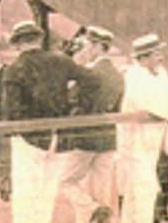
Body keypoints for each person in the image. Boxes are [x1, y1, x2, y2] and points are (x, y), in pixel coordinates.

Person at [1, 20, 102, 223]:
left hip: (27, 138)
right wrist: (75, 107)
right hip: (57, 135)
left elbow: (10, 111)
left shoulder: (14, 69)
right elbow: (93, 81)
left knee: (25, 196)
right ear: (40, 39)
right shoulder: (61, 61)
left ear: (18, 44)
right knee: (47, 194)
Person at [58, 27, 124, 222]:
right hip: (109, 137)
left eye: (88, 46)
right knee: (100, 189)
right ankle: (95, 211)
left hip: (85, 137)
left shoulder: (88, 74)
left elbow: (71, 100)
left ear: (97, 47)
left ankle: (91, 208)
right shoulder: (117, 75)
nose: (85, 50)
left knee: (66, 181)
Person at [118, 34, 168, 223]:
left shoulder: (160, 73)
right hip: (134, 142)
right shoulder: (133, 76)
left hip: (153, 141)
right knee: (143, 189)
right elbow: (145, 104)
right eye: (156, 54)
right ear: (144, 58)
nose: (161, 58)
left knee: (140, 191)